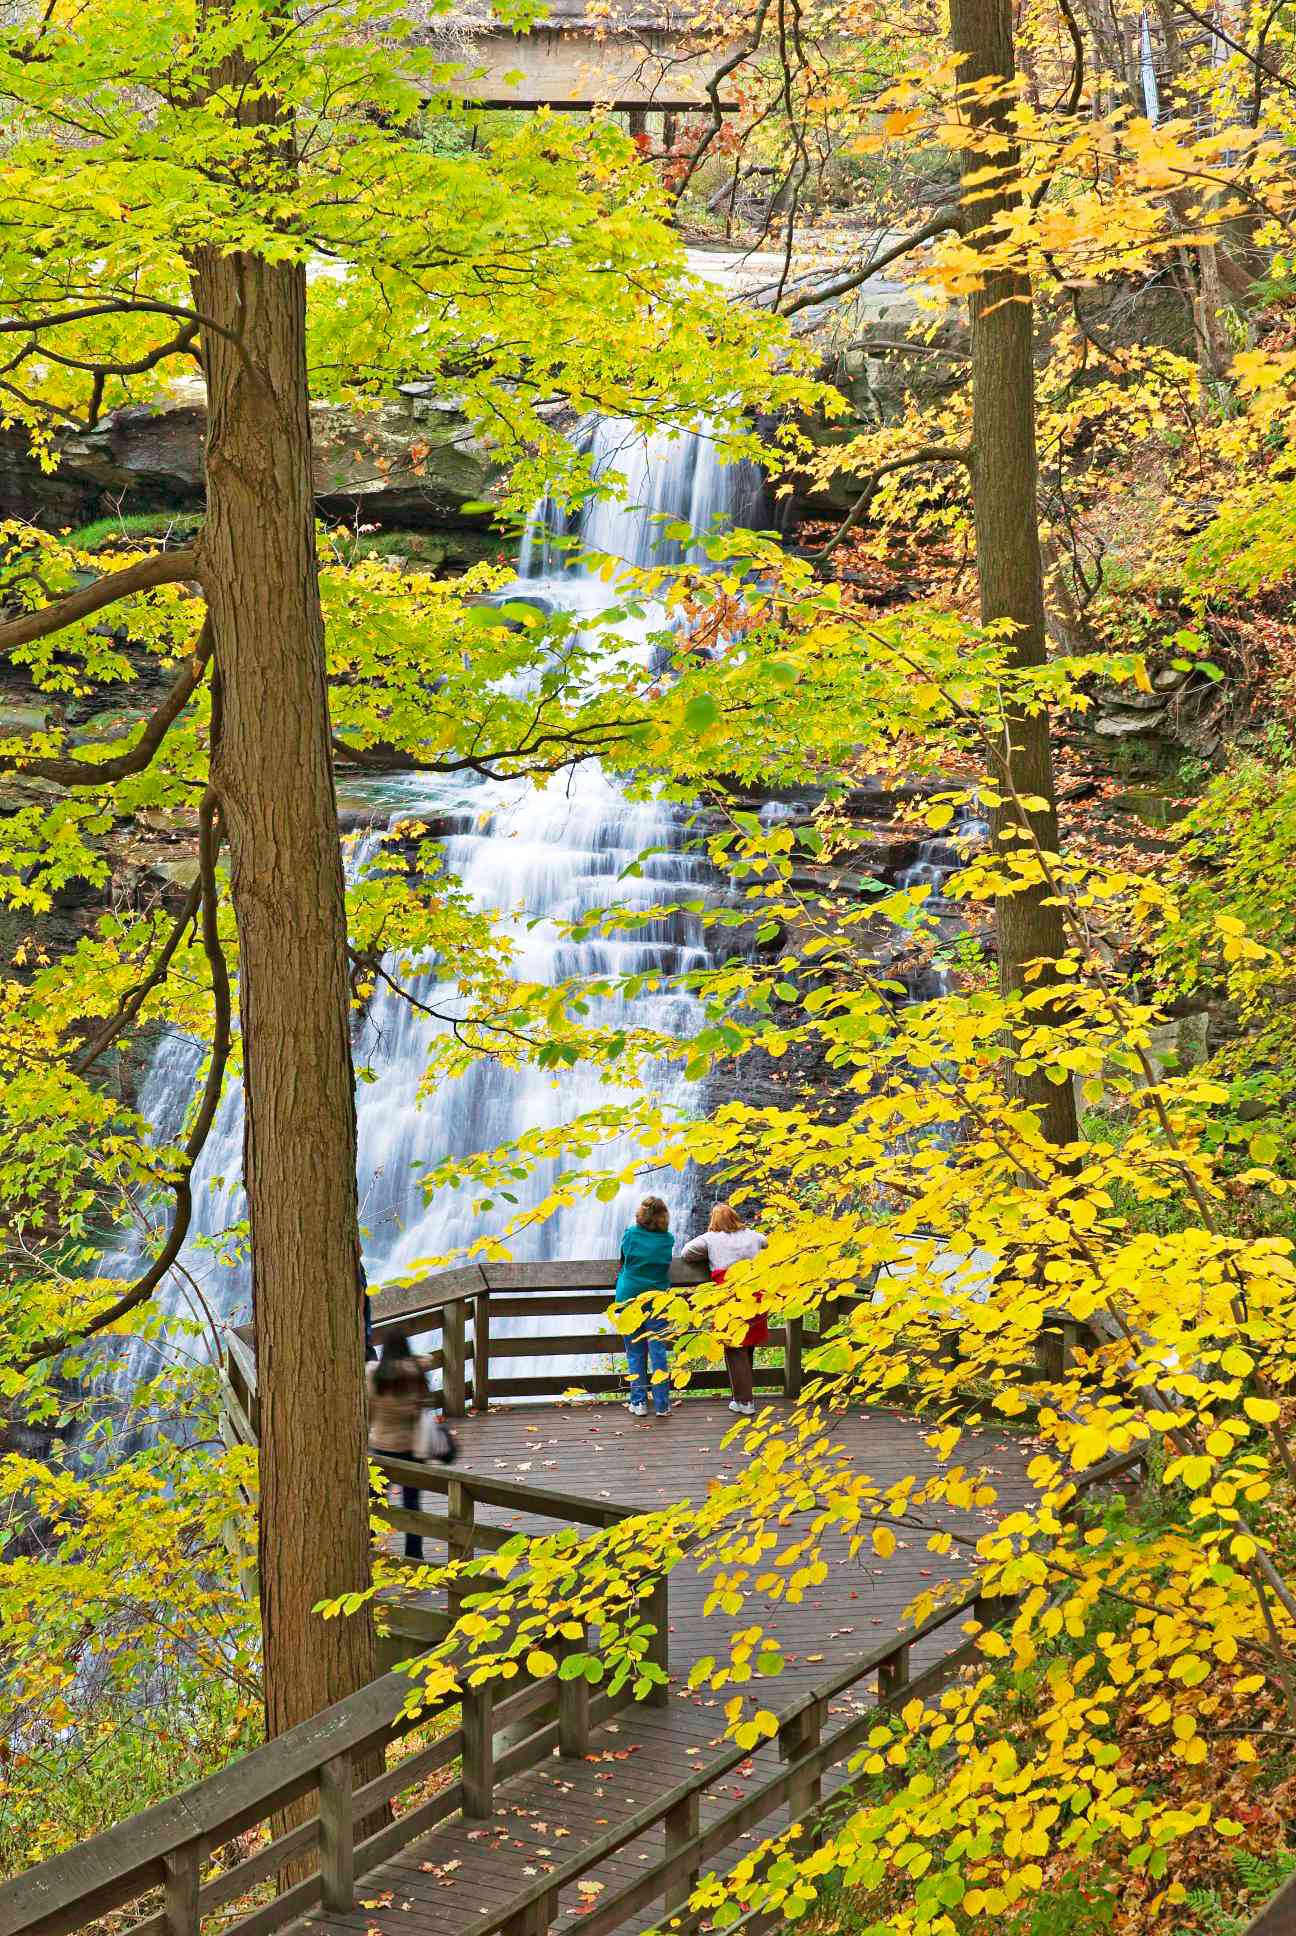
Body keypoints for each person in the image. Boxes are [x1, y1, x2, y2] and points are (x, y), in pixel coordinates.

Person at [366, 1331, 448, 1560]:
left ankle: (369, 1544)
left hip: (381, 1446)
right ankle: (414, 1553)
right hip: (413, 1447)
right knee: (412, 1502)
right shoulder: (416, 1372)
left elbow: (369, 1411)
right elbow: (426, 1359)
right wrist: (410, 1360)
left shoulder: (373, 1374)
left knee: (375, 1500)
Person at [681, 1203, 768, 1415]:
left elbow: (686, 1253)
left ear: (715, 1222)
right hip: (755, 1294)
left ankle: (744, 1401)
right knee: (748, 1345)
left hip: (729, 1296)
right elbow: (768, 1244)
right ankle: (743, 1397)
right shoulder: (754, 1236)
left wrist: (709, 1253)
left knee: (734, 1347)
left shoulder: (711, 1239)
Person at [616, 1195, 675, 1419]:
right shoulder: (667, 1239)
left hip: (629, 1297)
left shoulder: (630, 1234)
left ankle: (638, 1403)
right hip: (658, 1299)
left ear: (641, 1214)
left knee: (635, 1352)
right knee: (658, 1351)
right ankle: (662, 1405)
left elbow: (623, 1259)